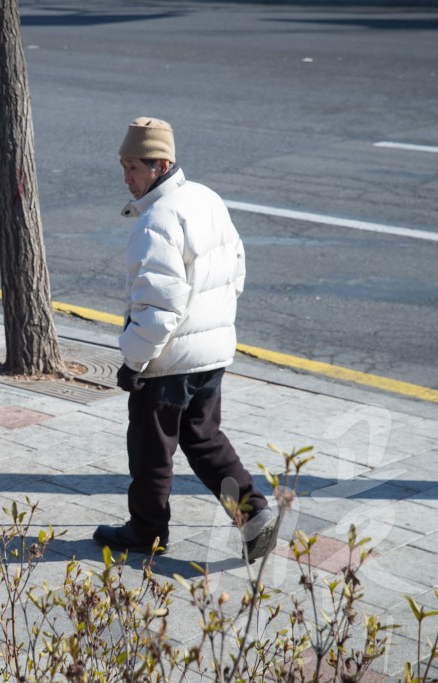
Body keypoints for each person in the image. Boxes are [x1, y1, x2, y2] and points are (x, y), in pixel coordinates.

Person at [92, 117, 278, 564]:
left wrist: (134, 362)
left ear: (162, 165)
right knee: (204, 440)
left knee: (151, 453)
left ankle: (146, 533)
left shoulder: (155, 221)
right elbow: (237, 268)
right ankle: (255, 517)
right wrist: (212, 325)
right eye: (122, 166)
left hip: (169, 360)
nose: (126, 178)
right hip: (210, 353)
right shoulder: (206, 198)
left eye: (133, 167)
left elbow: (160, 308)